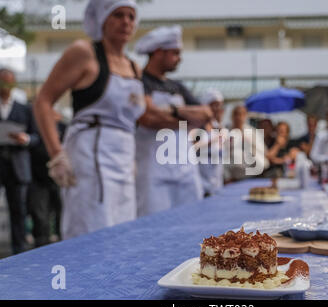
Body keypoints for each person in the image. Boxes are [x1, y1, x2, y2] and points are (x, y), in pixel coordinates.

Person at [34, 1, 211, 239]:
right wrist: (56, 154)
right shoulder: (84, 52)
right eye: (118, 15)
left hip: (125, 155)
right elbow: (43, 100)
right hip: (90, 152)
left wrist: (173, 114)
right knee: (92, 227)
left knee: (123, 229)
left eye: (131, 16)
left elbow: (146, 115)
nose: (126, 21)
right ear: (102, 19)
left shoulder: (134, 68)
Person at [135, 26, 213, 217]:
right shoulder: (139, 81)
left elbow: (206, 113)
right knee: (153, 226)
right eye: (175, 53)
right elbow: (147, 117)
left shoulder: (177, 86)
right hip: (153, 171)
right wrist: (186, 119)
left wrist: (173, 110)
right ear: (159, 52)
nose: (179, 58)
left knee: (192, 221)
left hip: (186, 169)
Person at [0, 68, 40, 254]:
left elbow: (36, 137)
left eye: (9, 82)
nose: (5, 86)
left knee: (19, 209)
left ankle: (20, 250)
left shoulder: (25, 109)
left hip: (17, 165)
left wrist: (25, 139)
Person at [27, 110, 66, 247]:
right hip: (38, 177)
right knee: (40, 215)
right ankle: (41, 246)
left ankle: (64, 244)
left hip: (61, 179)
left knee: (62, 213)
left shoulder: (64, 128)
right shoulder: (34, 128)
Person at [223, 105, 267, 183]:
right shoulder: (225, 131)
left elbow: (263, 152)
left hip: (250, 175)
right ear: (232, 116)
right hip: (230, 175)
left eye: (242, 114)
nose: (239, 117)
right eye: (236, 114)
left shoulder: (253, 132)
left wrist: (247, 142)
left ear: (245, 116)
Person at [194, 88, 225, 197]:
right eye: (214, 105)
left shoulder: (218, 127)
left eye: (219, 105)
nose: (218, 109)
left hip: (217, 185)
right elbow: (190, 148)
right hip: (201, 186)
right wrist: (211, 141)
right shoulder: (196, 126)